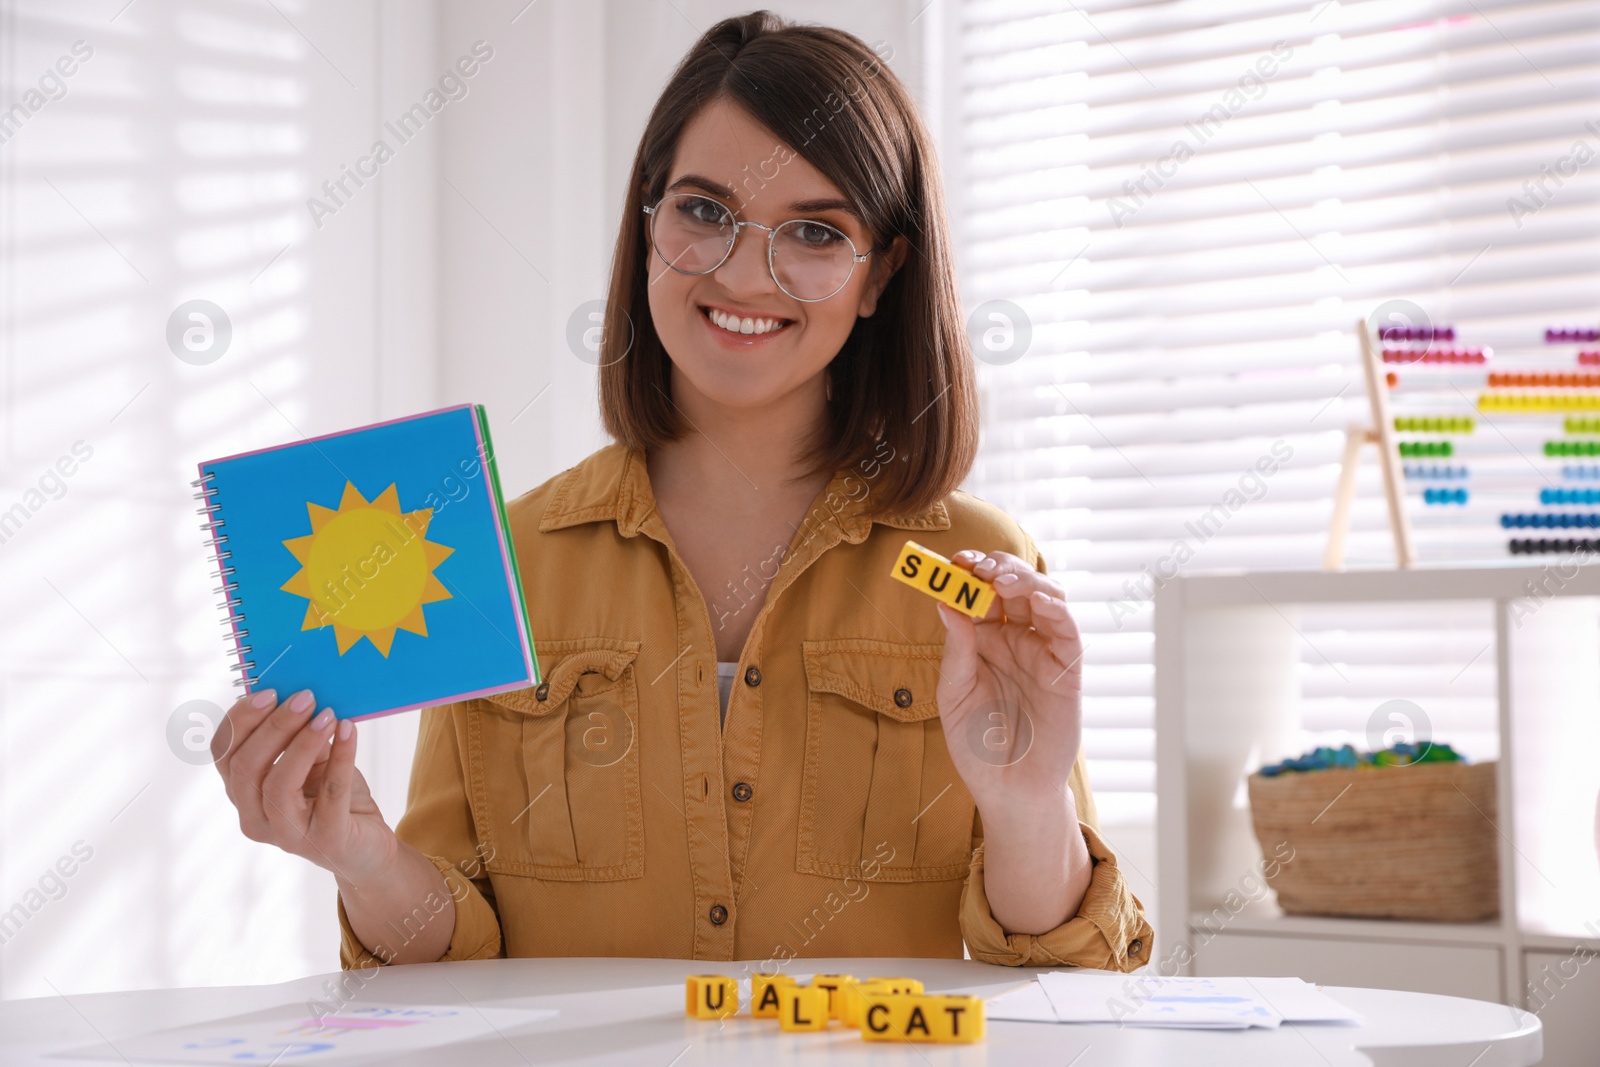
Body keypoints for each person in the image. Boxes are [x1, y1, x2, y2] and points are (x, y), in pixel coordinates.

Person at [213, 10, 1152, 973]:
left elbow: (1061, 982)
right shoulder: (506, 556)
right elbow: (452, 961)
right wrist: (360, 855)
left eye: (818, 231)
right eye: (704, 211)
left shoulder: (974, 574)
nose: (747, 273)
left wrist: (1027, 803)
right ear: (649, 219)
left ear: (882, 276)